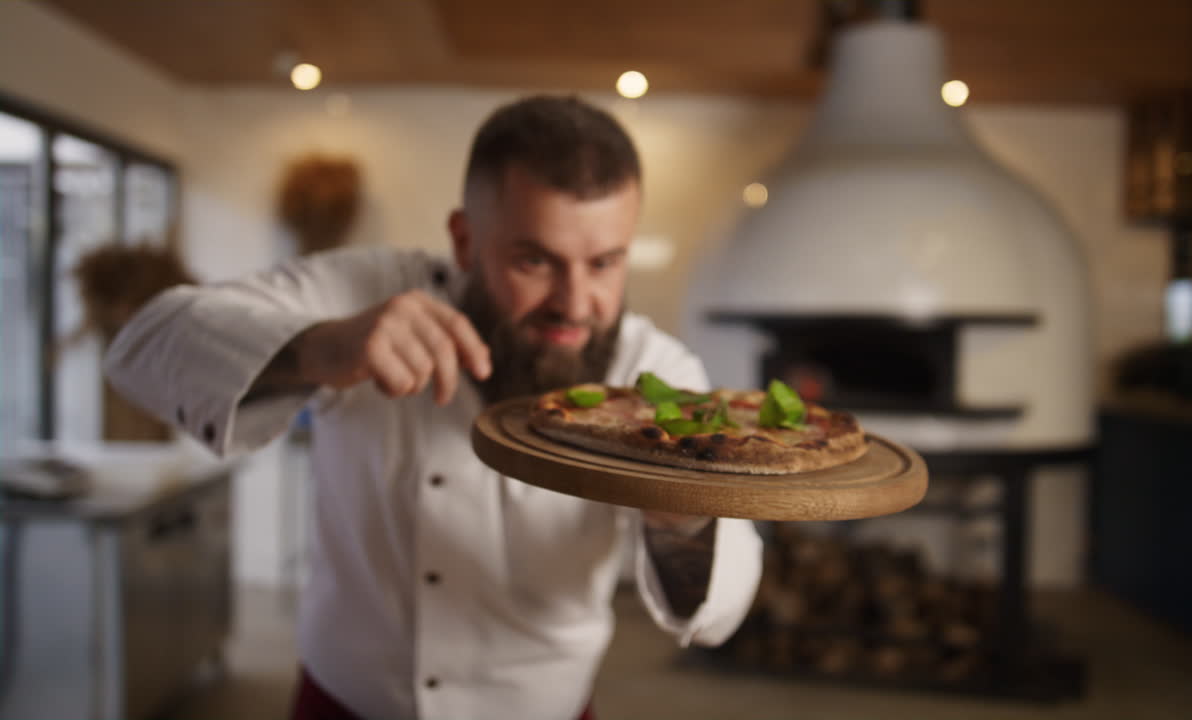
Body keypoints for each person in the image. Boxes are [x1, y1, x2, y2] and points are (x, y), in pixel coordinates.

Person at [105, 95, 762, 720]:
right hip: (345, 701)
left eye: (605, 263)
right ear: (465, 240)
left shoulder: (658, 374)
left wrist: (681, 514)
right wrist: (320, 346)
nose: (575, 302)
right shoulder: (365, 289)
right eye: (535, 260)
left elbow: (723, 607)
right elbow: (140, 347)